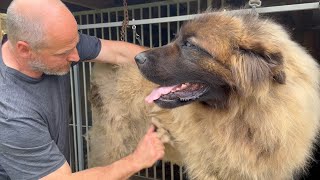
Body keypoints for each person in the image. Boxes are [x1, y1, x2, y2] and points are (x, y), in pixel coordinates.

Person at [0, 0, 165, 179]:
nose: (77, 56)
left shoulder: (52, 42)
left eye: (76, 44)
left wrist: (168, 68)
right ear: (24, 50)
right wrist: (136, 160)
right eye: (64, 53)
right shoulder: (10, 113)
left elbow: (118, 53)